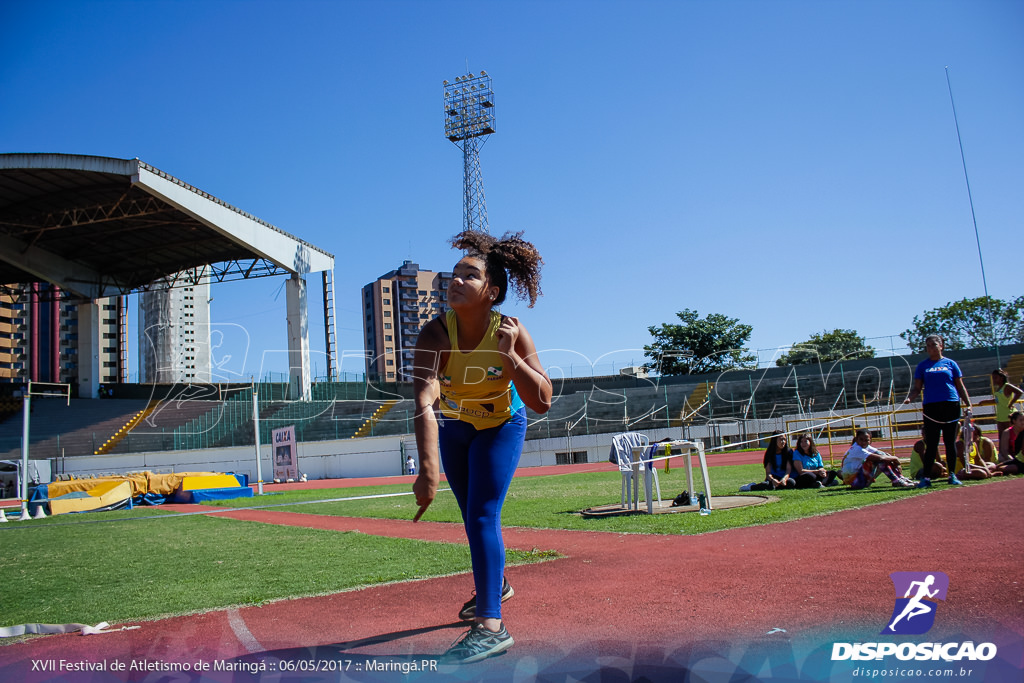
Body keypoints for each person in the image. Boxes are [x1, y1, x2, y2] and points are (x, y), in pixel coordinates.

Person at [412, 229, 551, 664]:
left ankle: (491, 626)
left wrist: (509, 357)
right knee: (471, 518)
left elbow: (543, 401)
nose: (453, 281)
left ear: (491, 291)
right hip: (456, 427)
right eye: (453, 274)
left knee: (483, 513)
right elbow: (424, 399)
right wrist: (427, 468)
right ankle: (498, 585)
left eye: (468, 275)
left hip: (500, 426)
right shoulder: (435, 334)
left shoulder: (510, 330)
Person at [903, 334, 974, 488]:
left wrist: (968, 404)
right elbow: (917, 388)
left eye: (934, 344)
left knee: (950, 442)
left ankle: (952, 475)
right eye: (928, 345)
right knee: (931, 443)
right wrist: (910, 398)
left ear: (941, 345)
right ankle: (926, 478)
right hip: (931, 407)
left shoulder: (951, 364)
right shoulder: (923, 366)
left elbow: (960, 386)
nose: (931, 348)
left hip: (951, 404)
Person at [840, 429, 915, 489]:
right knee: (880, 460)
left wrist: (891, 458)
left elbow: (883, 454)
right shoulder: (857, 449)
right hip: (856, 482)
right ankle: (896, 480)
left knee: (885, 457)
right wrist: (895, 459)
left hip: (858, 479)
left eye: (866, 440)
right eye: (861, 439)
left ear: (870, 440)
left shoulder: (864, 446)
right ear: (856, 439)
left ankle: (900, 478)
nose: (863, 442)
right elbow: (881, 458)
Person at [978, 369, 1022, 438]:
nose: (993, 380)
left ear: (1001, 378)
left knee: (1011, 437)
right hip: (1000, 416)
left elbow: (1019, 392)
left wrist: (1011, 403)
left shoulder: (1007, 386)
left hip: (1008, 416)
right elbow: (997, 400)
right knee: (1001, 437)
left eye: (995, 378)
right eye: (993, 378)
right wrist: (985, 401)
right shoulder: (998, 388)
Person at [995, 411, 1024, 475]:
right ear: (1014, 421)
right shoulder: (1007, 432)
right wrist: (1011, 459)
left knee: (1002, 468)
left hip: (1020, 459)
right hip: (1011, 457)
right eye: (1021, 420)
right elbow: (1004, 450)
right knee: (998, 465)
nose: (1023, 422)